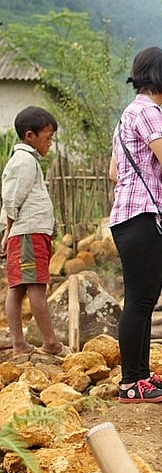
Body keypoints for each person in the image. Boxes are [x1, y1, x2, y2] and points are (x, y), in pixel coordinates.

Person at [108, 46, 162, 403]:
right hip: (142, 218)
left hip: (133, 217)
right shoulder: (149, 112)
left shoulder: (127, 115)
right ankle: (131, 382)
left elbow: (113, 172)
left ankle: (141, 375)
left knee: (142, 300)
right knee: (140, 301)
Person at [1, 106, 70, 360]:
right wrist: (9, 232)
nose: (50, 143)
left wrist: (8, 232)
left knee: (18, 288)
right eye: (47, 137)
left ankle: (20, 344)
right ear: (30, 136)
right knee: (36, 288)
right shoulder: (23, 161)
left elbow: (12, 199)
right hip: (27, 233)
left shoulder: (26, 160)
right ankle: (50, 343)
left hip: (28, 232)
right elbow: (11, 199)